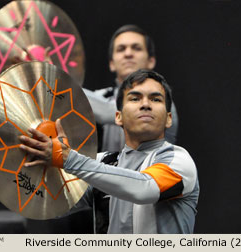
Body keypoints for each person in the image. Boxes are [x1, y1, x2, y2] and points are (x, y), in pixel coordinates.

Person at [19, 69, 199, 233]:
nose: (145, 104)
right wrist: (44, 164)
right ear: (118, 117)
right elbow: (48, 203)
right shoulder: (101, 162)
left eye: (156, 99)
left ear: (169, 119)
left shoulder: (178, 160)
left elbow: (145, 188)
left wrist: (68, 159)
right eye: (135, 98)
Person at [83, 24, 178, 153]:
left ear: (151, 61)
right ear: (112, 64)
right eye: (121, 49)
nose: (128, 54)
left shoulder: (161, 98)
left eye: (136, 48)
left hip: (151, 171)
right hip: (105, 171)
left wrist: (58, 80)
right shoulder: (100, 97)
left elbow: (106, 111)